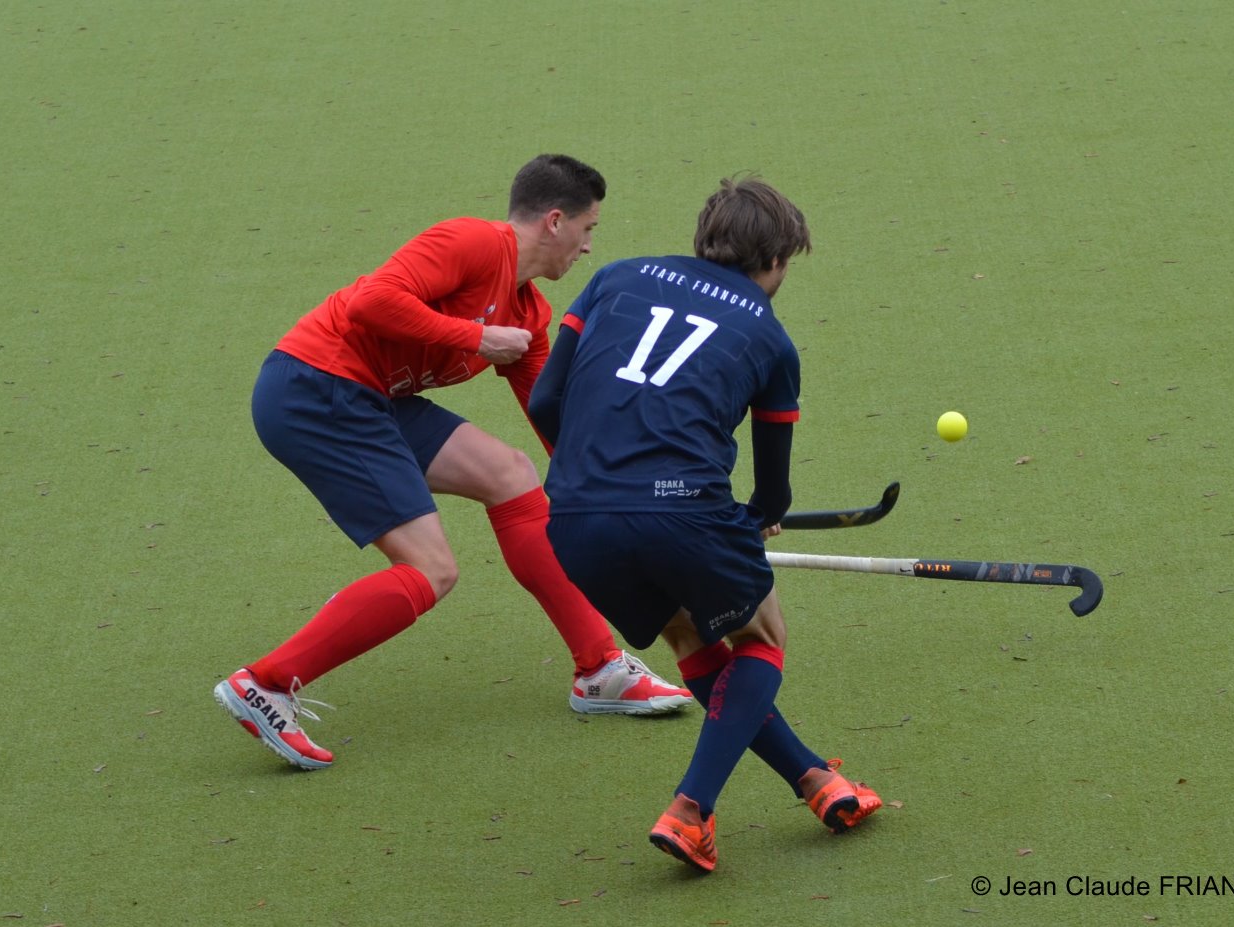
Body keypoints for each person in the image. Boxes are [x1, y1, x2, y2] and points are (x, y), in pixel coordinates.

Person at [213, 155, 692, 770]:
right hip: (315, 387)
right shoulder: (472, 242)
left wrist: (625, 496)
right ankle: (267, 683)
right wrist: (473, 337)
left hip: (376, 399)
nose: (589, 246)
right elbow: (372, 301)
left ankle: (600, 671)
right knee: (430, 568)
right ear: (554, 222)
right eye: (588, 229)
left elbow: (560, 429)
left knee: (511, 474)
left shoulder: (528, 317)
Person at [528, 176, 882, 872]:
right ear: (777, 259)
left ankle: (817, 782)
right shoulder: (771, 339)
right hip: (682, 511)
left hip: (573, 514)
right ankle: (691, 808)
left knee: (692, 632)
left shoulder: (614, 278)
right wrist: (753, 522)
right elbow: (772, 489)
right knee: (763, 636)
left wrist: (597, 480)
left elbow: (546, 399)